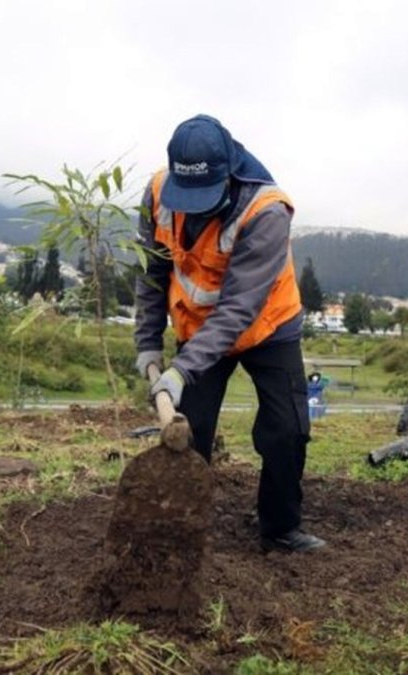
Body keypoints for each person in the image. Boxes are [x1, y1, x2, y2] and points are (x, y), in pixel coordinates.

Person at [134, 114, 325, 553]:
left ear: (228, 174)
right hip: (199, 328)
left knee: (286, 430)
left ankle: (280, 528)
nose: (192, 207)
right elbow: (152, 273)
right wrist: (147, 342)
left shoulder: (266, 211)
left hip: (267, 325)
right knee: (189, 429)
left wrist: (181, 370)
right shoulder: (159, 192)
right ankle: (184, 529)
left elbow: (239, 308)